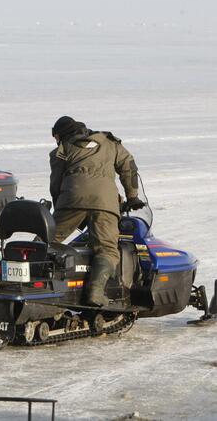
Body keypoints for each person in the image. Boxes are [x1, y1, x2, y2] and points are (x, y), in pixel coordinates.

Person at [49, 116, 143, 306]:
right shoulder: (109, 142)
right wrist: (132, 196)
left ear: (61, 134)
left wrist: (60, 206)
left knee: (48, 240)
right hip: (104, 202)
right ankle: (95, 292)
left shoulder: (61, 150)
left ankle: (28, 281)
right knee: (107, 249)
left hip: (71, 199)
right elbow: (128, 166)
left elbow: (55, 184)